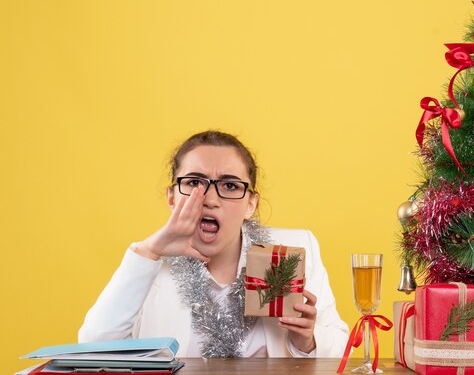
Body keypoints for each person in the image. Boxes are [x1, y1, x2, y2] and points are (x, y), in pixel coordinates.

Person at [79, 130, 349, 357]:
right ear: (172, 197)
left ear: (250, 204)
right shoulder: (149, 263)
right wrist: (148, 251)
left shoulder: (293, 251)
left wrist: (307, 342)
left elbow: (340, 347)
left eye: (230, 186)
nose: (209, 199)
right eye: (195, 182)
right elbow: (94, 347)